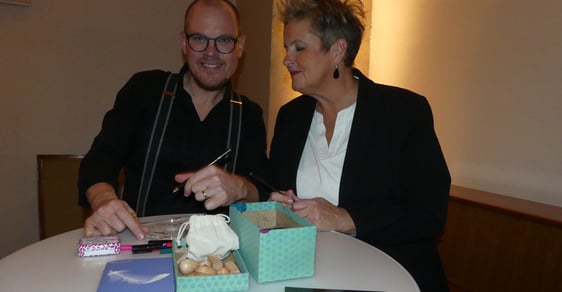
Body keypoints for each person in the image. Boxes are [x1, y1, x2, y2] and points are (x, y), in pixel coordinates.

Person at [266, 0, 451, 291]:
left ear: (338, 51)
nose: (287, 59)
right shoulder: (290, 117)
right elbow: (277, 190)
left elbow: (429, 213)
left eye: (299, 48)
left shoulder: (403, 112)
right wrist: (279, 206)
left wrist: (344, 219)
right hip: (308, 277)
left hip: (389, 277)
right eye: (286, 48)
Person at [78, 0, 267, 241]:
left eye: (224, 40)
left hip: (216, 260)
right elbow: (98, 163)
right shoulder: (144, 90)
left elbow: (262, 192)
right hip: (140, 246)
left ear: (240, 46)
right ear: (183, 43)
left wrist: (240, 188)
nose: (211, 52)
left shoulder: (249, 114)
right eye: (199, 38)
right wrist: (104, 200)